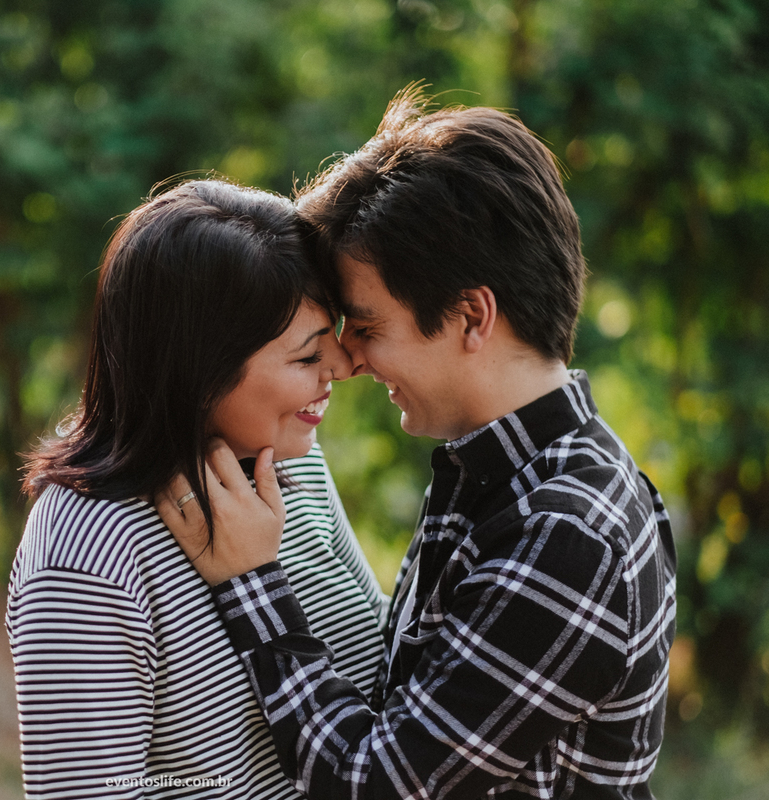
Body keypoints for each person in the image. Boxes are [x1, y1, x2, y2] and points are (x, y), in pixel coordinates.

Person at [159, 90, 677, 799]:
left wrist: (252, 585)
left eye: (367, 327)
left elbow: (376, 782)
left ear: (471, 315)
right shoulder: (502, 474)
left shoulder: (564, 532)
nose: (349, 360)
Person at [6, 179, 389, 799]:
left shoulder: (292, 465)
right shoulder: (87, 552)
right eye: (305, 357)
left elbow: (383, 685)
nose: (343, 368)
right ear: (199, 371)